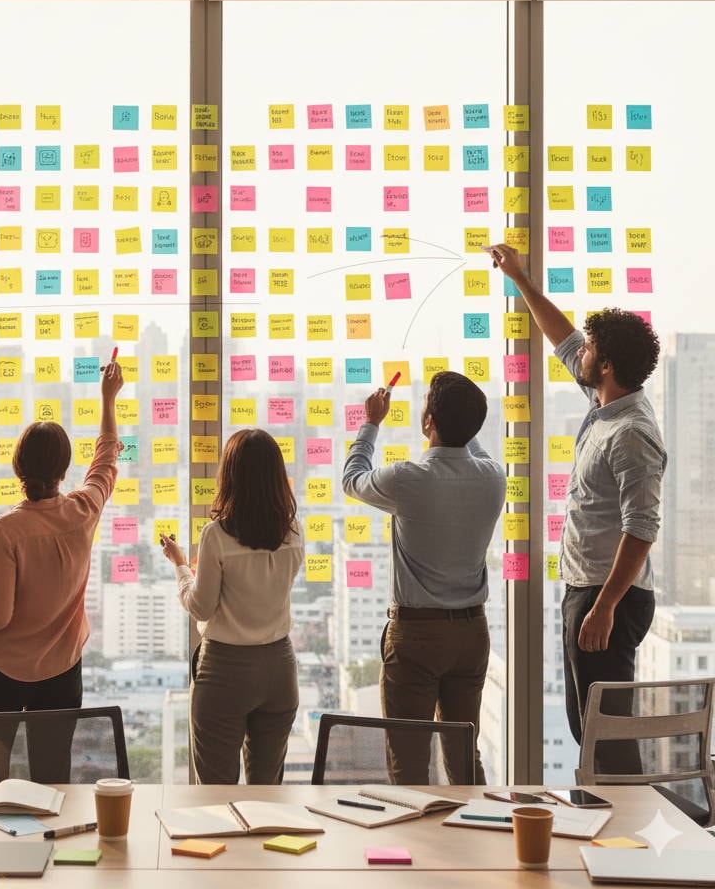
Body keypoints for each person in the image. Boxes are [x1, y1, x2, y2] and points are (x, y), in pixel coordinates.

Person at [487, 243, 666, 771]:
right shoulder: (606, 403)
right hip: (590, 591)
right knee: (588, 730)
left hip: (608, 596)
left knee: (603, 739)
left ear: (606, 365)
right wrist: (521, 280)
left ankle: (623, 841)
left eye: (590, 349)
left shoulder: (631, 433)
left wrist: (604, 607)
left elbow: (642, 528)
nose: (579, 352)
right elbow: (563, 338)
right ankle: (608, 830)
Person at [0, 360, 123, 783]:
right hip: (61, 673)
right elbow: (107, 457)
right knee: (51, 778)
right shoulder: (84, 510)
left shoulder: (5, 529)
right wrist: (108, 399)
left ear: (18, 468)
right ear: (63, 470)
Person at [342, 371, 505, 785]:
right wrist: (454, 417)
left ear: (429, 421)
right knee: (463, 755)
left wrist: (371, 423)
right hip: (471, 633)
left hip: (416, 637)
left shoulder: (407, 478)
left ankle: (418, 847)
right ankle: (475, 837)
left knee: (410, 762)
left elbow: (352, 478)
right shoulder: (493, 477)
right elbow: (468, 440)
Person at [159, 428, 303, 785]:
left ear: (229, 475)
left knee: (215, 793)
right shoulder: (293, 530)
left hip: (225, 671)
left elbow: (201, 607)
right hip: (280, 669)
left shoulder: (216, 535)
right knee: (267, 793)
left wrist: (180, 566)